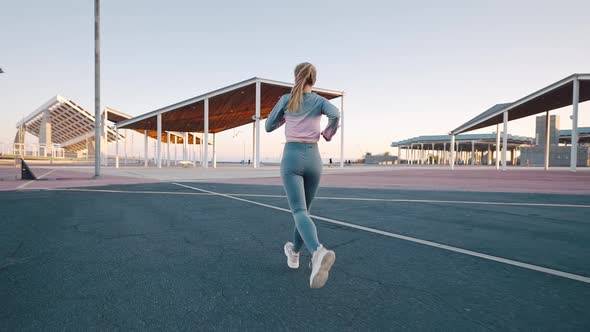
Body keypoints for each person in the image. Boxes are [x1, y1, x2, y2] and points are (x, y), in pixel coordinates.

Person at [265, 62, 340, 288]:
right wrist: (327, 133)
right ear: (313, 79)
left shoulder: (286, 100)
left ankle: (317, 251)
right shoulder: (319, 101)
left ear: (295, 77)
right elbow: (335, 114)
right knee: (304, 212)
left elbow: (268, 126)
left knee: (298, 211)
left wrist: (284, 119)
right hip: (314, 158)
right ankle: (294, 253)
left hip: (292, 156)